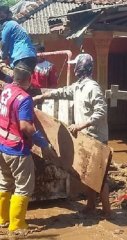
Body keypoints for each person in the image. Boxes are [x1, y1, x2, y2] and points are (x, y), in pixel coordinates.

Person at [33, 53, 111, 217]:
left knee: (99, 176)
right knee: (88, 175)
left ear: (81, 67)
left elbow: (101, 111)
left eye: (76, 65)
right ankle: (91, 205)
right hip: (85, 137)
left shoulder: (92, 87)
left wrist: (83, 124)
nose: (75, 68)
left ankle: (108, 211)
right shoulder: (78, 86)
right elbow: (62, 92)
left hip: (95, 137)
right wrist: (41, 96)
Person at [0, 63, 56, 234]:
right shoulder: (24, 99)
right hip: (17, 149)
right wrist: (43, 143)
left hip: (2, 144)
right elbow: (25, 126)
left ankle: (3, 219)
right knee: (23, 186)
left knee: (4, 182)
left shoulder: (7, 90)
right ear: (28, 79)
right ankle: (17, 224)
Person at [0, 5, 36, 72]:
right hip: (31, 56)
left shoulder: (9, 25)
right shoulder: (15, 25)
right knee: (25, 81)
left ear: (9, 15)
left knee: (18, 80)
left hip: (21, 57)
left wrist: (3, 57)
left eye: (2, 17)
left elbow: (3, 44)